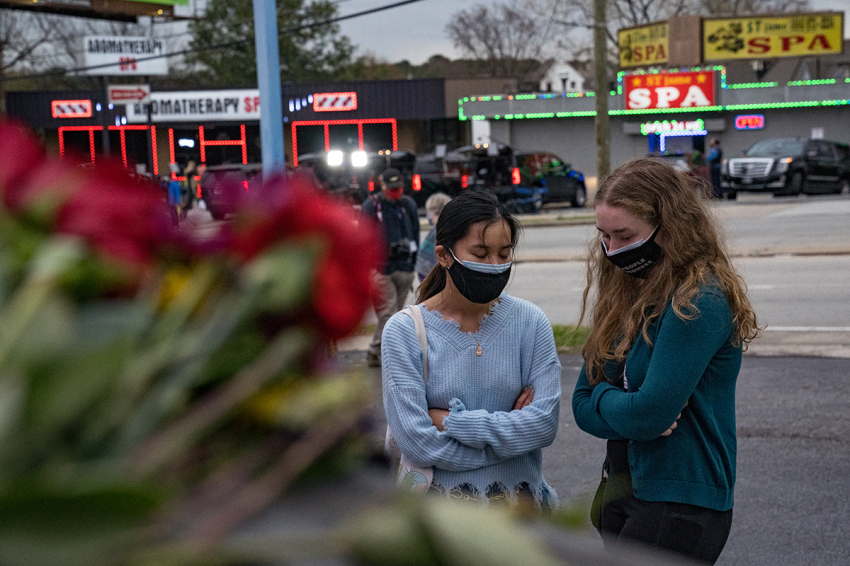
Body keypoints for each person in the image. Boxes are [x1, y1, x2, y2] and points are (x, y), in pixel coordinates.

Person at [572, 158, 760, 564]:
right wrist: (614, 399)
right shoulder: (628, 291)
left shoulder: (699, 301)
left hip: (679, 503)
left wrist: (605, 397)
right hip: (622, 491)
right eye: (603, 236)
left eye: (624, 236)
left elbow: (647, 417)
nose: (612, 251)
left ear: (669, 227)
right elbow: (581, 406)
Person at [382, 190, 561, 507]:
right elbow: (418, 445)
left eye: (504, 254)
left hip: (523, 518)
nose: (494, 265)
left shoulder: (531, 322)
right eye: (480, 254)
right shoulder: (405, 331)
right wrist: (510, 438)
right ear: (443, 255)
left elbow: (543, 426)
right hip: (439, 525)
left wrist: (450, 422)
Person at [361, 168, 420, 367]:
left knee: (396, 314)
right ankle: (382, 352)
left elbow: (415, 234)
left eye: (399, 188)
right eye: (391, 188)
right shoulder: (371, 207)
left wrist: (412, 263)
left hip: (404, 268)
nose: (395, 192)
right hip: (381, 269)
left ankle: (378, 350)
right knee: (389, 314)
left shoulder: (408, 204)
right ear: (382, 185)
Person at [414, 192, 452, 282]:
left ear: (435, 212)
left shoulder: (439, 231)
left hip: (432, 275)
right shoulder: (442, 228)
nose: (429, 216)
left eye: (430, 213)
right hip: (430, 273)